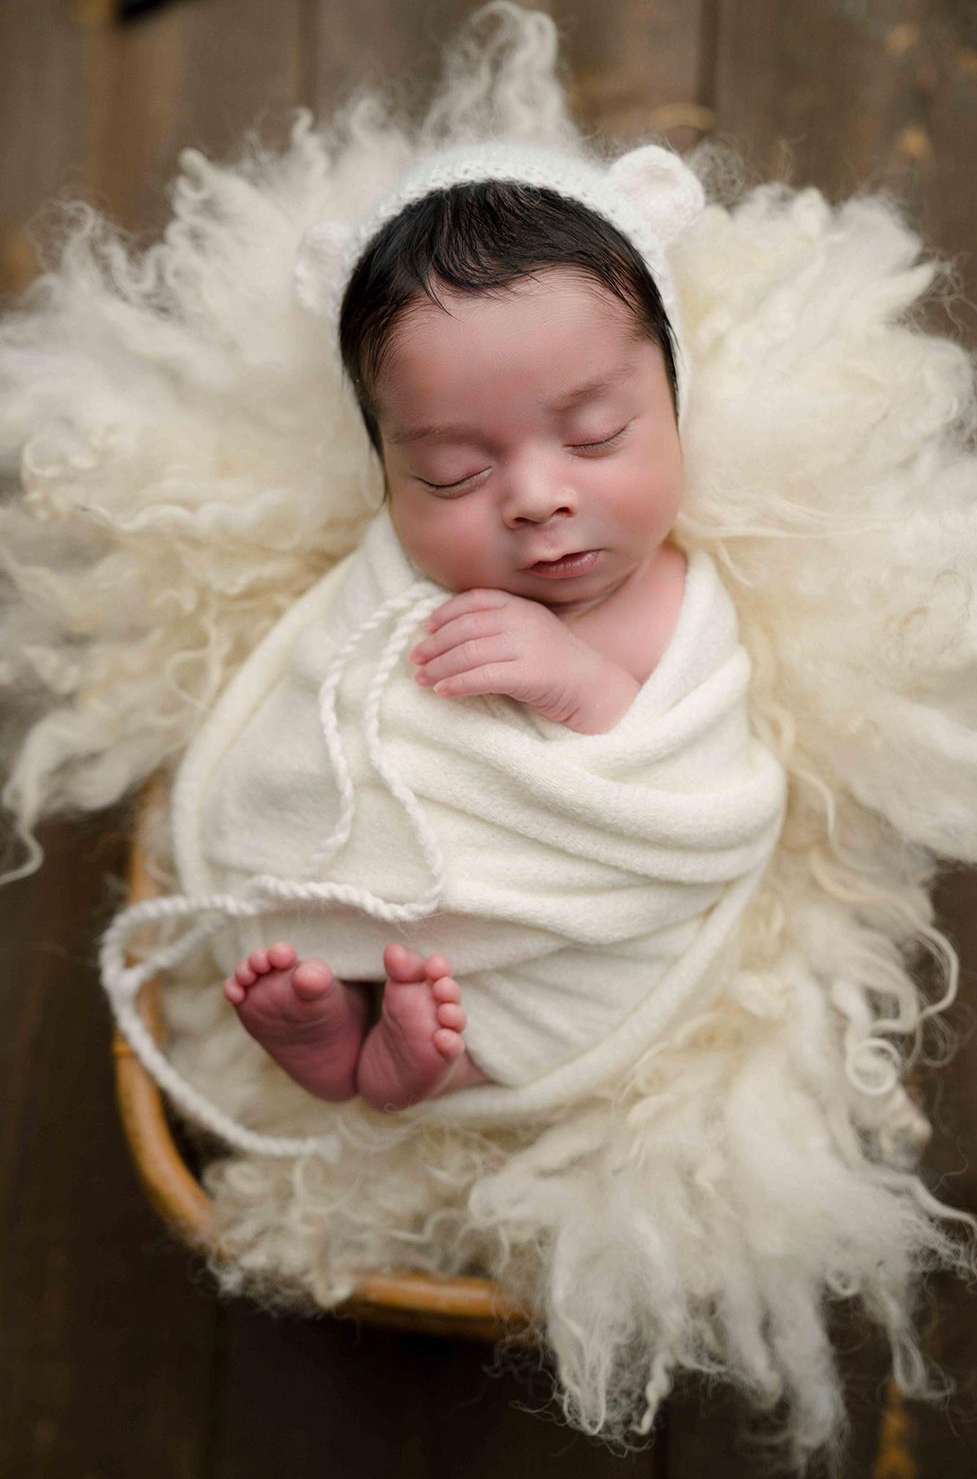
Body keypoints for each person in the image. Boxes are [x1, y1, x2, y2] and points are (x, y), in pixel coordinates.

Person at [221, 179, 692, 1111]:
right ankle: (335, 1021)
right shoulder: (396, 588)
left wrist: (583, 685)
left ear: (681, 403)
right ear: (386, 474)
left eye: (595, 437)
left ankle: (433, 1066)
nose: (534, 498)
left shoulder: (676, 594)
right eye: (453, 474)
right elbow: (313, 738)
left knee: (605, 980)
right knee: (308, 887)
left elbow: (695, 792)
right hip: (402, 896)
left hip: (572, 930)